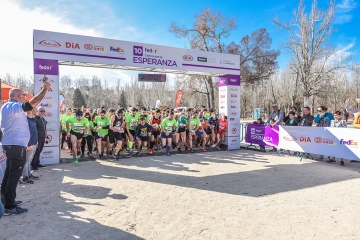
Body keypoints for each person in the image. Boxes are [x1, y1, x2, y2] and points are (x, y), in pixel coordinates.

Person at [1, 81, 50, 215]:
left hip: (13, 144)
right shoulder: (12, 105)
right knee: (14, 175)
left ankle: (5, 201)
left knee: (9, 174)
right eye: (23, 95)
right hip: (15, 145)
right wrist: (44, 91)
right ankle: (9, 205)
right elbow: (30, 105)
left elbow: (30, 111)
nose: (25, 96)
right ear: (19, 97)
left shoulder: (10, 106)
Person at [23, 108, 39, 184]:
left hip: (33, 143)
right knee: (26, 161)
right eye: (34, 108)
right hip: (29, 144)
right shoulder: (26, 120)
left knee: (29, 161)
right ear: (31, 110)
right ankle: (25, 177)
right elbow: (25, 134)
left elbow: (34, 132)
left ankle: (29, 175)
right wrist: (28, 144)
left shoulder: (32, 119)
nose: (36, 110)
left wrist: (36, 142)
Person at [31, 107, 48, 171]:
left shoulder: (43, 118)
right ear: (37, 111)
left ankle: (37, 163)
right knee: (36, 152)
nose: (43, 112)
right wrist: (35, 139)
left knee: (39, 151)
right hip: (37, 138)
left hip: (42, 137)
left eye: (44, 111)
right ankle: (33, 165)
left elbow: (44, 129)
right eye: (41, 111)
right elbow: (33, 130)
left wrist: (45, 137)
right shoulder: (35, 118)